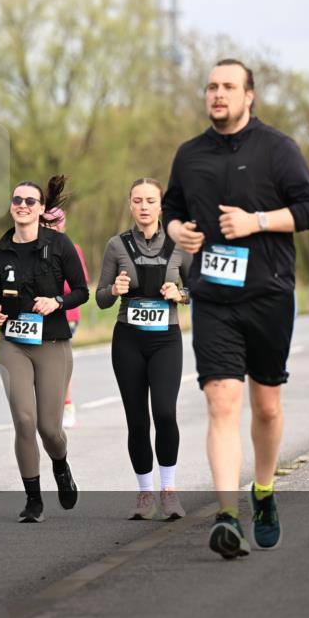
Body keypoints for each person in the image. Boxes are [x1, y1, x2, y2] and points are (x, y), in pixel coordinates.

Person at [163, 59, 309, 558]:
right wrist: (177, 231)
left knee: (267, 406)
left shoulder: (278, 149)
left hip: (269, 294)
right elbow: (172, 207)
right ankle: (227, 516)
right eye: (212, 86)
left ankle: (263, 491)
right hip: (212, 296)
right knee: (221, 402)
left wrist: (257, 222)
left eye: (229, 87)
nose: (218, 94)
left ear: (249, 96)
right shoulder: (189, 155)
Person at [0, 176, 89, 523]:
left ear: (42, 209)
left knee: (49, 429)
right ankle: (33, 499)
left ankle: (60, 465)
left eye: (31, 201)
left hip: (52, 343)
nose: (23, 205)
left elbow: (81, 291)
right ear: (11, 205)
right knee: (24, 421)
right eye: (18, 199)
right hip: (13, 343)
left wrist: (57, 301)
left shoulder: (60, 245)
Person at [96, 178, 192, 520]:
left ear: (161, 206)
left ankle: (169, 490)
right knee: (137, 421)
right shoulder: (116, 245)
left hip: (166, 339)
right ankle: (145, 493)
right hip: (128, 340)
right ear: (131, 204)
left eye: (151, 200)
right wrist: (115, 288)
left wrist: (179, 295)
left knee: (165, 413)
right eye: (138, 200)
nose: (144, 206)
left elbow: (197, 289)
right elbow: (101, 298)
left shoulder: (180, 244)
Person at [41, 207, 90, 429]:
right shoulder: (37, 248)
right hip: (39, 314)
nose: (54, 226)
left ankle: (67, 405)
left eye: (58, 222)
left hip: (66, 314)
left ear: (65, 224)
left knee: (60, 361)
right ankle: (46, 406)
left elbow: (79, 285)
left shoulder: (72, 248)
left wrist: (53, 292)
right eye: (49, 222)